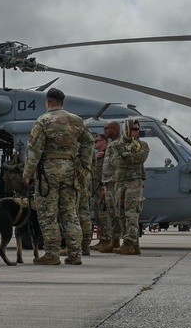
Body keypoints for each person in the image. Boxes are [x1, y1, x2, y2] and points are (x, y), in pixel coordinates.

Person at [22, 88, 93, 266]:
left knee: (48, 213)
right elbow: (89, 142)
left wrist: (28, 174)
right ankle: (75, 253)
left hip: (48, 172)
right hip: (70, 171)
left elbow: (34, 149)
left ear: (48, 103)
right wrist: (84, 166)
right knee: (70, 213)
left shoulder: (43, 120)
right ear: (63, 102)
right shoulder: (77, 120)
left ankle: (52, 253)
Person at [109, 117, 149, 256]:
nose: (137, 132)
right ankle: (135, 245)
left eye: (138, 130)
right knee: (120, 213)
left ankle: (128, 243)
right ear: (127, 129)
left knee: (131, 213)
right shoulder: (115, 145)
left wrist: (125, 155)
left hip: (135, 181)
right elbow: (114, 162)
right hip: (119, 181)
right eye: (134, 129)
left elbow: (141, 159)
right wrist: (130, 157)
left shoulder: (143, 145)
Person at [95, 121, 123, 253]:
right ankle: (111, 241)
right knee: (108, 214)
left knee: (114, 214)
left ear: (115, 129)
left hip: (113, 185)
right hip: (105, 185)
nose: (105, 130)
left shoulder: (119, 145)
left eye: (107, 128)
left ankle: (114, 241)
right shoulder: (111, 146)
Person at [87, 134, 111, 253]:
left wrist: (104, 188)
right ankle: (102, 241)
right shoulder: (97, 156)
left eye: (96, 141)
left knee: (104, 216)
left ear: (104, 141)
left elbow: (109, 172)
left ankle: (107, 241)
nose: (94, 144)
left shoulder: (108, 154)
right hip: (95, 190)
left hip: (103, 189)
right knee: (98, 216)